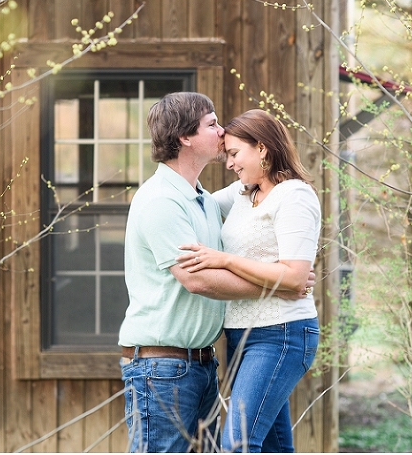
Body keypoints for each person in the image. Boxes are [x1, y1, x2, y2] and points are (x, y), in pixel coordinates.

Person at [118, 93, 310, 453]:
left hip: (201, 364)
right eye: (212, 123)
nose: (222, 132)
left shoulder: (203, 198)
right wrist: (276, 285)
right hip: (161, 367)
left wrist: (286, 275)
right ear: (184, 138)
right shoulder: (162, 200)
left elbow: (262, 195)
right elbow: (197, 279)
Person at [176, 109, 321, 453]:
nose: (229, 164)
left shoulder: (294, 196)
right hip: (241, 336)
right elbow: (196, 204)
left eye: (234, 154)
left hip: (282, 333)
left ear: (263, 149)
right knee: (272, 446)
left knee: (237, 444)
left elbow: (295, 276)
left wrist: (224, 259)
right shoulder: (243, 193)